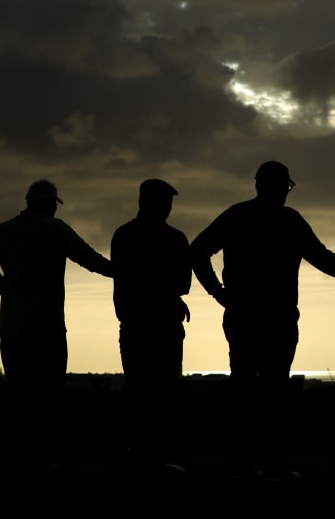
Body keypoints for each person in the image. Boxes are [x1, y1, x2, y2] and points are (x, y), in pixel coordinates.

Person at [190, 160, 335, 479]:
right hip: (265, 317)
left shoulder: (246, 216)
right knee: (264, 391)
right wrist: (218, 293)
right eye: (284, 186)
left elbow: (320, 257)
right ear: (265, 185)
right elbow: (320, 257)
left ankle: (253, 461)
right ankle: (259, 461)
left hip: (255, 316)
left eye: (287, 187)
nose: (286, 193)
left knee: (254, 390)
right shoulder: (272, 218)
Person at [0, 179, 113, 470]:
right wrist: (133, 272)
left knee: (20, 398)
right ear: (51, 205)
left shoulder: (6, 230)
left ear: (27, 202)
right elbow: (93, 261)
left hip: (13, 329)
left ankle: (22, 460)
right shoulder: (54, 229)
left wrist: (0, 280)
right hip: (48, 328)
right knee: (49, 398)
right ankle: (45, 459)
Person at [111, 178, 192, 472]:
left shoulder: (122, 235)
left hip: (136, 323)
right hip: (160, 323)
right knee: (159, 391)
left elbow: (124, 279)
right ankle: (151, 457)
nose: (168, 208)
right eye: (165, 202)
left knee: (141, 390)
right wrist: (167, 293)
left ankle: (143, 455)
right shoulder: (175, 239)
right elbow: (183, 284)